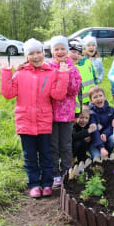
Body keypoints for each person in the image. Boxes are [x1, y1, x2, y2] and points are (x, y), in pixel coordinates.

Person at [0, 38, 69, 198]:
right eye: (32, 53)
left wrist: (63, 75)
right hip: (25, 123)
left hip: (44, 123)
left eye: (39, 52)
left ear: (43, 54)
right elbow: (8, 93)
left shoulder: (51, 73)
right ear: (27, 56)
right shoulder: (20, 73)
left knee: (46, 155)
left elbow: (58, 95)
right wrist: (6, 73)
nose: (36, 56)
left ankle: (46, 183)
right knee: (30, 157)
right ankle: (34, 184)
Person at [47, 36, 82, 188]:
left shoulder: (73, 68)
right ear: (52, 51)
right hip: (51, 114)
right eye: (57, 49)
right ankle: (55, 173)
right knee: (53, 145)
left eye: (62, 49)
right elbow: (48, 89)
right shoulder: (48, 67)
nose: (60, 52)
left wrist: (65, 74)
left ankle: (66, 172)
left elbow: (73, 91)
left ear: (67, 51)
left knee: (66, 145)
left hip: (67, 114)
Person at [69, 38, 97, 114]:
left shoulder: (88, 62)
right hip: (77, 101)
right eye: (74, 52)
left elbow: (94, 78)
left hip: (90, 98)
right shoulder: (73, 66)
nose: (81, 53)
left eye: (81, 50)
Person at [88, 86, 114, 159]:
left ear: (104, 97)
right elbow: (94, 131)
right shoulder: (91, 113)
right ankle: (102, 151)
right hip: (94, 141)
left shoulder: (111, 110)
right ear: (91, 100)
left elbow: (112, 125)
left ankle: (108, 153)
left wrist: (105, 134)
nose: (99, 99)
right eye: (95, 97)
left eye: (100, 96)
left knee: (112, 139)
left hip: (106, 137)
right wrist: (101, 147)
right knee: (97, 157)